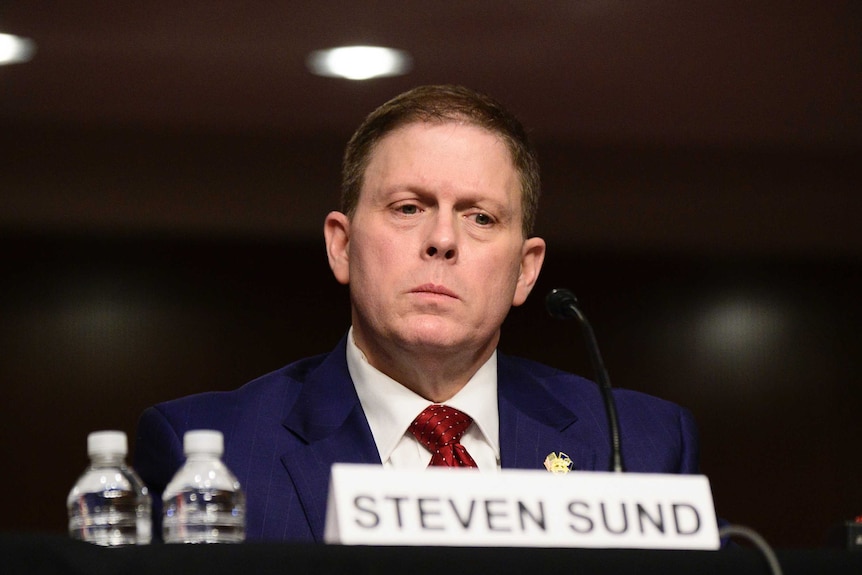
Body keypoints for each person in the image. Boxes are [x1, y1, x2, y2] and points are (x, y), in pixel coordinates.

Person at [134, 84, 701, 542]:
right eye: (409, 207)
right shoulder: (213, 451)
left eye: (480, 217)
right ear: (342, 245)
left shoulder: (642, 443)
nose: (442, 240)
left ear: (526, 270)